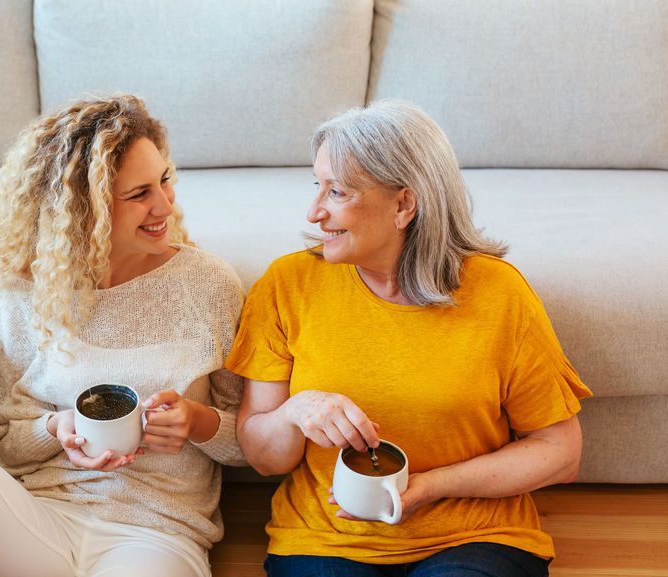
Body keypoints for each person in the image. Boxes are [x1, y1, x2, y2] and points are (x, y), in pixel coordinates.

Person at [0, 94, 246, 577]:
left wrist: (199, 422)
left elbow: (250, 444)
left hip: (152, 533)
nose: (165, 205)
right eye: (139, 194)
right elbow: (2, 443)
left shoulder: (208, 285)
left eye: (165, 180)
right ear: (86, 210)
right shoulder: (31, 291)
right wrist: (55, 428)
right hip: (37, 519)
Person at [225, 100, 592, 577]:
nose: (314, 212)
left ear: (404, 204)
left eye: (337, 191)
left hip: (473, 535)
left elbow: (560, 452)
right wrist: (295, 412)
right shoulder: (287, 284)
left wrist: (432, 485)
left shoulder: (499, 294)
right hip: (327, 539)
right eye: (318, 186)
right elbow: (263, 457)